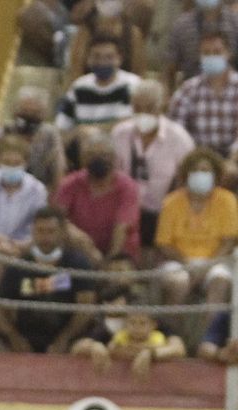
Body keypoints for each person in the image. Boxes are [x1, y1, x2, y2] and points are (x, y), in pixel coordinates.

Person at [0, 205, 100, 354]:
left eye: (51, 231)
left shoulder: (78, 263)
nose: (45, 238)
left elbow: (86, 308)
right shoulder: (18, 265)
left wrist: (64, 339)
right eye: (40, 231)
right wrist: (15, 338)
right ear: (33, 232)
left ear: (62, 232)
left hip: (70, 341)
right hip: (25, 339)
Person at [112, 78, 194, 248]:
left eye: (149, 108)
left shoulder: (179, 139)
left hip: (162, 212)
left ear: (161, 108)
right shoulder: (120, 134)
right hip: (126, 211)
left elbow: (186, 182)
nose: (143, 114)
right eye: (138, 108)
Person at [156, 145, 238, 309]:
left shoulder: (227, 200)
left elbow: (229, 241)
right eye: (196, 170)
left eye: (205, 170)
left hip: (216, 261)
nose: (201, 174)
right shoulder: (171, 202)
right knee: (177, 282)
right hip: (179, 261)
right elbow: (164, 243)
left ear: (215, 174)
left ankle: (210, 334)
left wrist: (207, 265)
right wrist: (187, 264)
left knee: (219, 281)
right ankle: (175, 333)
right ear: (186, 174)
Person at [53, 131, 141, 262]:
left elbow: (121, 229)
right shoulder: (70, 184)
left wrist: (110, 262)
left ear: (114, 158)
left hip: (120, 253)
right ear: (83, 159)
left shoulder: (128, 187)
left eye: (104, 155)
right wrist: (80, 238)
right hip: (80, 251)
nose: (99, 159)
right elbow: (57, 218)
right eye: (92, 155)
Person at [0, 86, 67, 189]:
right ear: (14, 111)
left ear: (43, 115)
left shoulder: (49, 135)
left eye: (35, 113)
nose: (29, 117)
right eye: (25, 111)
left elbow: (58, 170)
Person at [56, 35, 141, 140]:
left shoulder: (132, 84)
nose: (102, 62)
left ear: (119, 59)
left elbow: (128, 123)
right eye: (96, 56)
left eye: (109, 57)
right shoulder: (79, 87)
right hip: (84, 149)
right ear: (88, 59)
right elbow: (62, 126)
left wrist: (90, 130)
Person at [167, 29, 238, 149]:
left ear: (228, 53)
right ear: (200, 56)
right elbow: (176, 131)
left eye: (217, 52)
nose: (211, 57)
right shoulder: (188, 90)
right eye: (206, 53)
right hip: (198, 157)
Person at [72, 303, 187, 376]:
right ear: (125, 322)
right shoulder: (115, 331)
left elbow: (178, 349)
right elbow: (77, 348)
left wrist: (150, 353)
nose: (137, 327)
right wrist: (95, 346)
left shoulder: (160, 334)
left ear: (153, 325)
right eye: (132, 322)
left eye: (142, 323)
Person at [165, 0, 238, 92]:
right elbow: (169, 69)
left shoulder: (235, 24)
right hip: (192, 96)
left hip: (232, 96)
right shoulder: (181, 26)